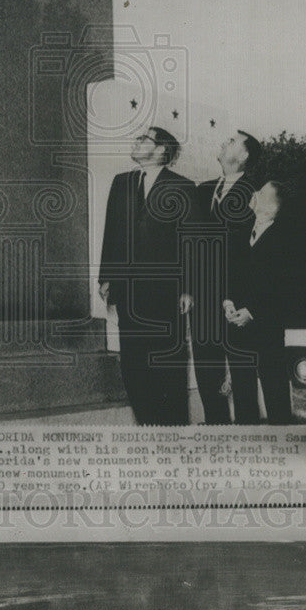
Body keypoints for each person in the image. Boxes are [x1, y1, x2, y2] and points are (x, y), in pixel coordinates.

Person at [99, 127, 195, 425]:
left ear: (161, 150)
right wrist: (106, 280)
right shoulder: (121, 182)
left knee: (168, 369)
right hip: (129, 295)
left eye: (145, 139)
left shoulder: (183, 187)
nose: (137, 141)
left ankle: (172, 434)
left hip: (166, 296)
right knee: (133, 367)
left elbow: (191, 242)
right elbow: (112, 233)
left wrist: (188, 289)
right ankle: (148, 428)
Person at [191, 129, 260, 424]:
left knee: (243, 384)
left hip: (237, 307)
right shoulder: (202, 191)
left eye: (231, 141)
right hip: (202, 305)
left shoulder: (257, 196)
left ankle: (248, 450)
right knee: (208, 380)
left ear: (243, 156)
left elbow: (261, 259)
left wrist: (250, 306)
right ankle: (216, 442)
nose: (223, 141)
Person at [224, 181, 293, 425]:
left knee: (275, 393)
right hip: (237, 327)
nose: (253, 193)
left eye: (261, 193)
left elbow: (283, 287)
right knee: (243, 394)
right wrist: (228, 301)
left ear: (273, 206)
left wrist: (252, 312)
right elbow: (231, 272)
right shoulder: (242, 231)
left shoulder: (286, 238)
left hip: (267, 329)